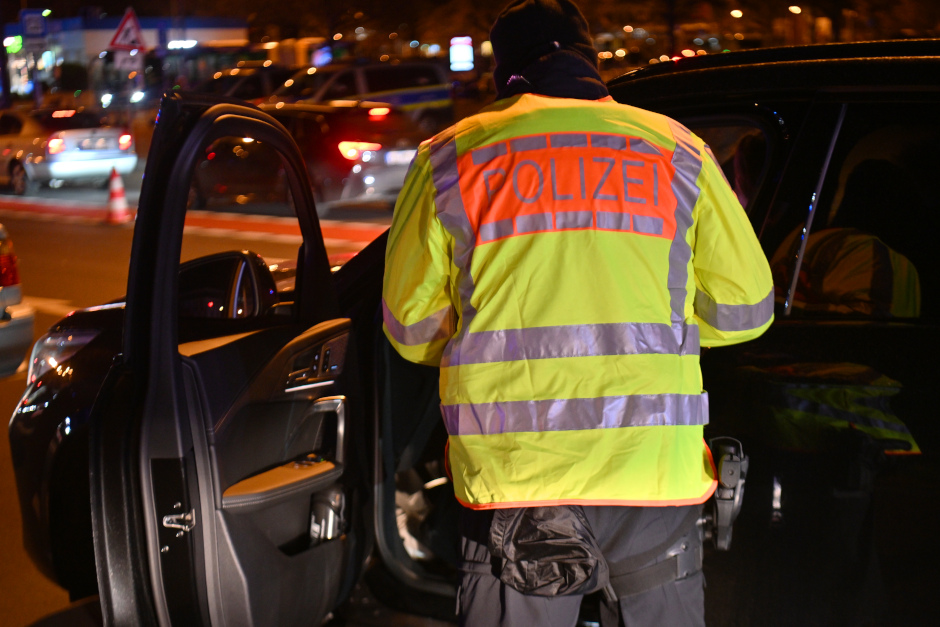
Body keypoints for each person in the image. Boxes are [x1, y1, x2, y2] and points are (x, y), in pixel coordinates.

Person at [381, 1, 774, 624]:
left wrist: (484, 333)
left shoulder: (452, 158)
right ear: (591, 63)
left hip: (517, 478)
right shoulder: (678, 151)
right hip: (652, 476)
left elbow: (409, 329)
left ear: (504, 73)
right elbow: (745, 313)